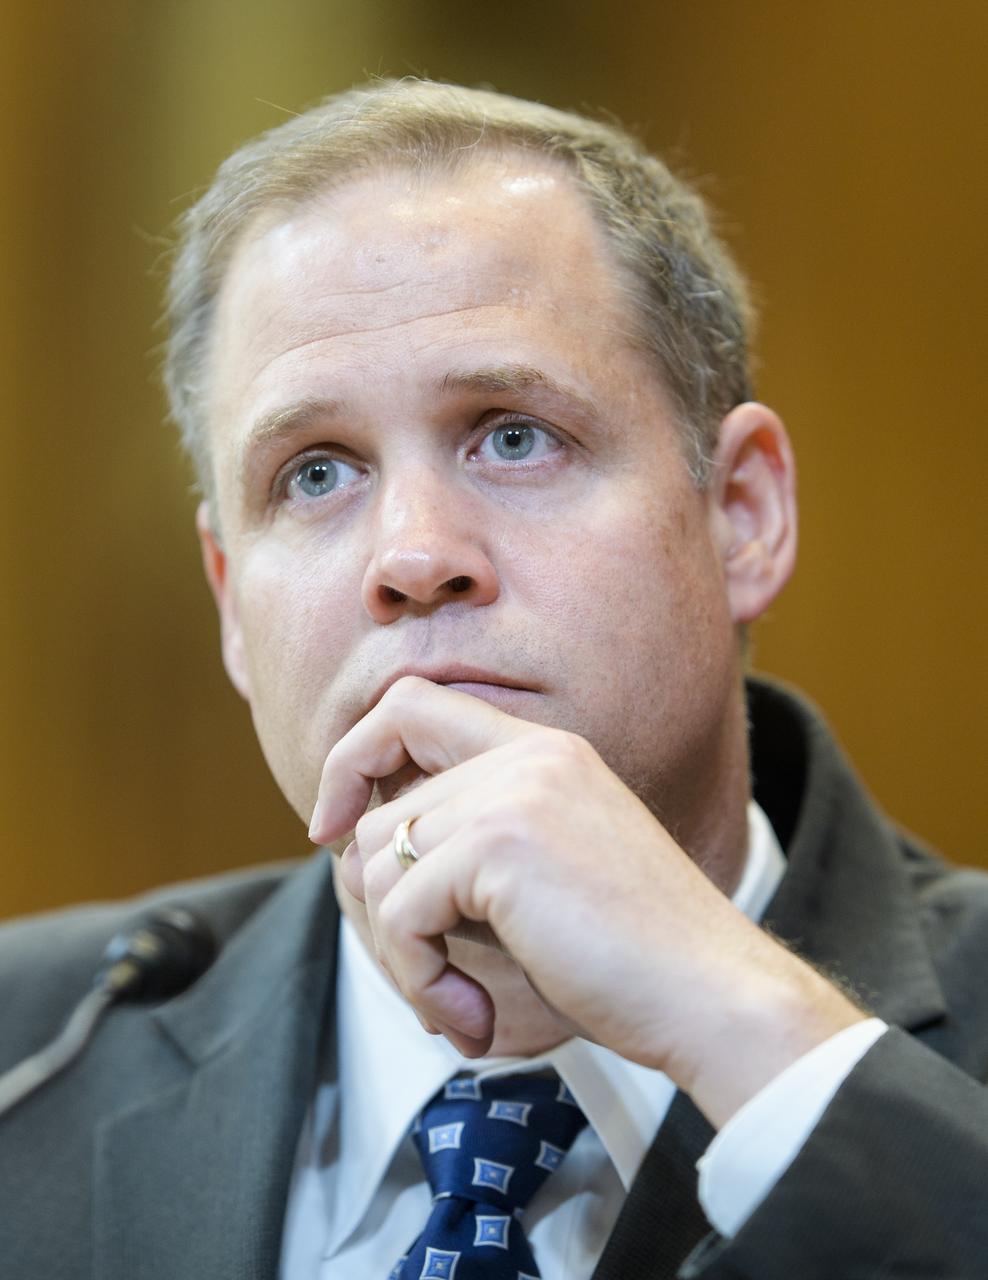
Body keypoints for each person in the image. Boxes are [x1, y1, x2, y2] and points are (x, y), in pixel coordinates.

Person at [1, 78, 986, 1279]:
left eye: (513, 434)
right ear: (229, 602)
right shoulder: (33, 1053)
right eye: (315, 473)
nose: (412, 555)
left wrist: (753, 1030)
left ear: (741, 516)